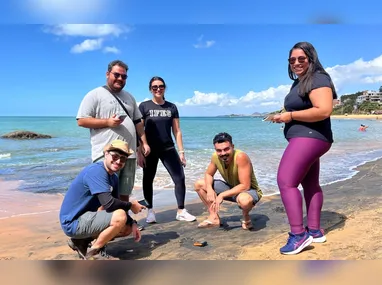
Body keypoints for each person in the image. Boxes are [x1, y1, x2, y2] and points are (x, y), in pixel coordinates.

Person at [271, 42, 337, 255]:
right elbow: (304, 107)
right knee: (310, 184)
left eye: (301, 59)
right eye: (292, 60)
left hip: (310, 138)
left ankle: (299, 235)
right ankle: (315, 231)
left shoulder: (318, 78)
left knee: (285, 181)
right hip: (310, 138)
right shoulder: (301, 82)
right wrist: (283, 115)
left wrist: (289, 116)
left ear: (311, 59)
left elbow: (324, 110)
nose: (296, 63)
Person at [76, 60, 150, 230]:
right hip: (108, 156)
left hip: (129, 155)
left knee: (124, 193)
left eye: (124, 76)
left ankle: (123, 224)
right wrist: (108, 122)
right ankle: (93, 231)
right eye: (116, 74)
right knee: (104, 197)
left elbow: (138, 121)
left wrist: (143, 143)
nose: (120, 79)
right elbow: (81, 120)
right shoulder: (94, 94)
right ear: (108, 73)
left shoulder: (129, 97)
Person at [59, 140, 146, 260]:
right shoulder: (96, 171)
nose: (118, 161)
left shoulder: (113, 177)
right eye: (115, 156)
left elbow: (116, 205)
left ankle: (80, 242)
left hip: (86, 218)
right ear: (106, 154)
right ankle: (94, 253)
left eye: (123, 159)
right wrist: (131, 205)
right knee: (120, 217)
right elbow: (109, 204)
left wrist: (133, 223)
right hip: (73, 222)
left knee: (126, 228)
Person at [137, 76, 196, 223]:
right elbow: (139, 129)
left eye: (161, 86)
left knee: (179, 178)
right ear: (150, 89)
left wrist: (181, 152)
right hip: (149, 149)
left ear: (165, 88)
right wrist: (140, 150)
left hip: (168, 148)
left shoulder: (171, 107)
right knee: (148, 179)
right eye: (155, 87)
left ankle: (181, 210)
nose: (158, 89)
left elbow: (177, 131)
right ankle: (150, 211)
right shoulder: (144, 106)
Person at [194, 132, 263, 229]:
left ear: (232, 146)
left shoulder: (240, 157)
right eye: (219, 150)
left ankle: (246, 217)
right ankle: (214, 217)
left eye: (226, 149)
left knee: (244, 200)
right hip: (232, 187)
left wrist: (222, 195)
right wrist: (209, 189)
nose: (223, 153)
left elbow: (245, 186)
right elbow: (208, 174)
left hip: (249, 191)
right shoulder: (215, 157)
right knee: (199, 184)